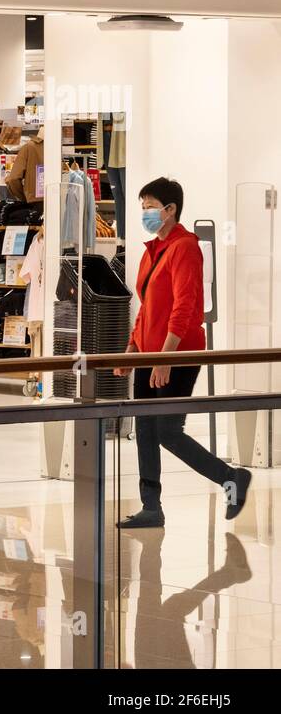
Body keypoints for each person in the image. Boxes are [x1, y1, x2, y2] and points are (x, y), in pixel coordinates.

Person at [115, 178, 250, 529]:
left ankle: (230, 477)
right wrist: (133, 347)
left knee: (167, 431)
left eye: (149, 205)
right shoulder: (152, 251)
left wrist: (166, 357)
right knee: (145, 429)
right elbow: (147, 306)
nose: (144, 212)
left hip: (178, 353)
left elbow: (185, 306)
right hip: (148, 354)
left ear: (170, 209)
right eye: (142, 205)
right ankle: (151, 507)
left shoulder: (186, 247)